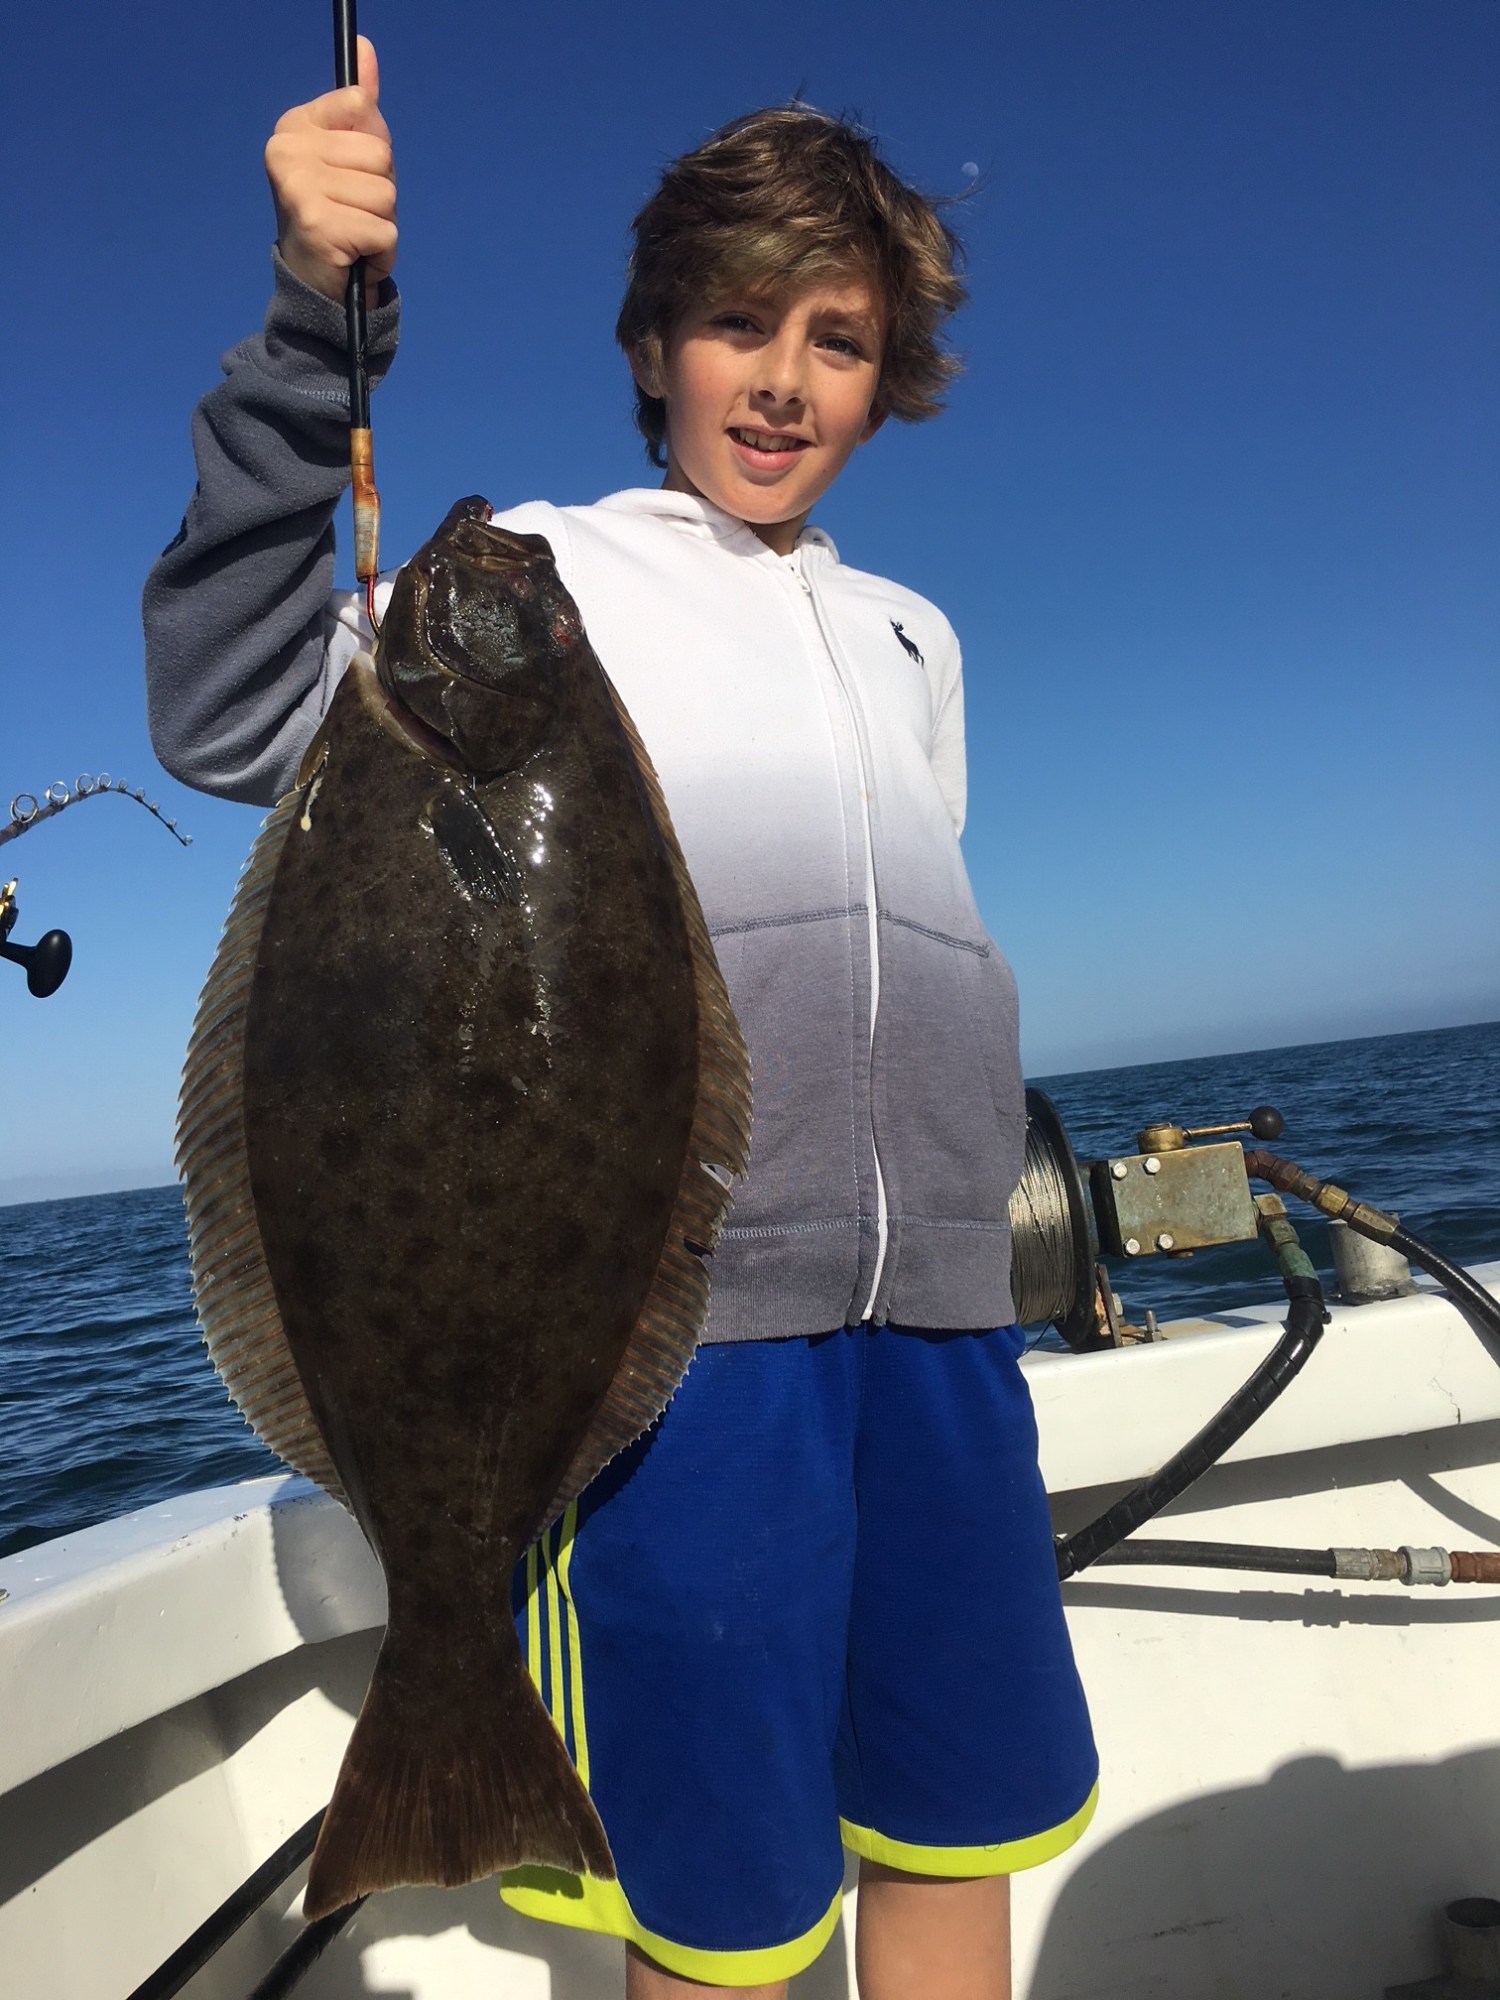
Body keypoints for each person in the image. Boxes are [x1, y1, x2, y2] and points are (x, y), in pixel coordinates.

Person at [143, 38, 1097, 2000]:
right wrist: (308, 321)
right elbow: (231, 702)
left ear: (888, 370)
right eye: (737, 321)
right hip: (678, 1367)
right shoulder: (553, 579)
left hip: (940, 1337)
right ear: (656, 340)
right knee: (728, 1911)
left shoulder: (918, 634)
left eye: (838, 337)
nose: (783, 375)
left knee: (956, 1831)